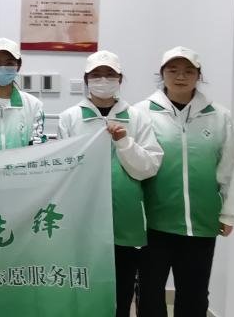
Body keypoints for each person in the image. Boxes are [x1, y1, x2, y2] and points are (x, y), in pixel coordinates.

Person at [57, 50, 162, 317]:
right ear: (86, 80)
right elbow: (62, 170)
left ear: (120, 79)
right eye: (96, 75)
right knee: (83, 289)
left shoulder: (137, 117)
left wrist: (124, 143)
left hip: (125, 220)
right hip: (83, 221)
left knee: (122, 291)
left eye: (109, 74)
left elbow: (148, 167)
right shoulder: (70, 118)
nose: (103, 80)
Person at [136, 46, 234, 317]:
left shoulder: (219, 116)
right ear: (162, 74)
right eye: (173, 70)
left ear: (198, 75)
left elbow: (230, 167)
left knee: (194, 294)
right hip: (152, 223)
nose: (180, 76)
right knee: (149, 292)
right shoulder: (142, 113)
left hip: (201, 223)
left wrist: (228, 213)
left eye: (188, 71)